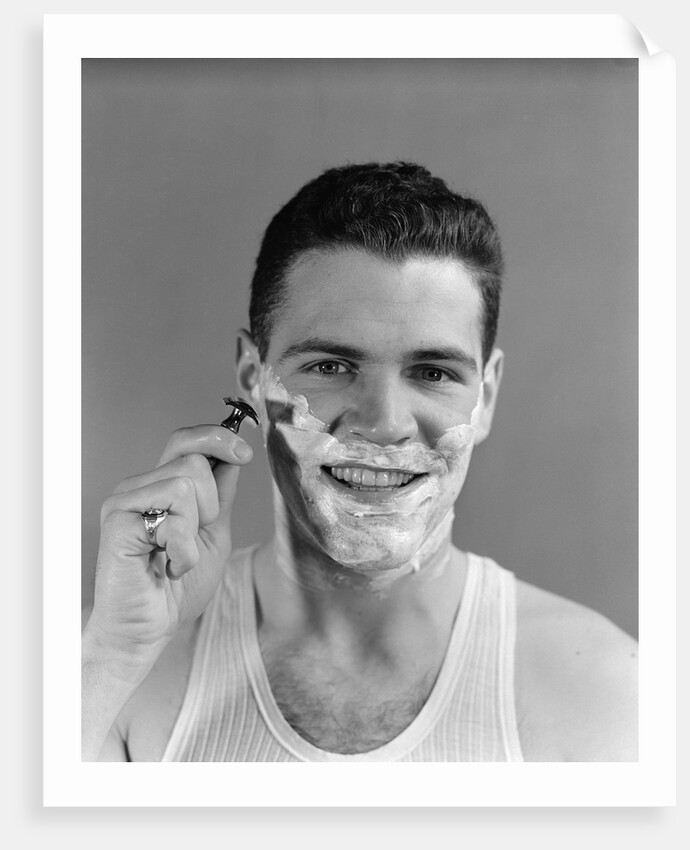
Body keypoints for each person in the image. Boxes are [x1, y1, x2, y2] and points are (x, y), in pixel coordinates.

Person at [82, 161, 638, 762]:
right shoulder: (123, 672)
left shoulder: (604, 692)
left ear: (488, 393)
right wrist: (113, 655)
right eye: (330, 367)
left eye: (433, 373)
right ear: (252, 376)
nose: (385, 423)